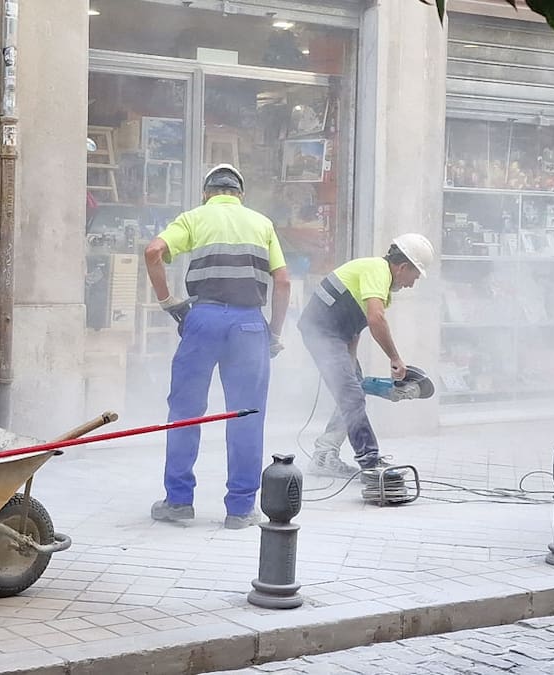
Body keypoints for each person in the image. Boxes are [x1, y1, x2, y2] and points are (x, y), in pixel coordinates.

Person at [144, 164, 291, 529]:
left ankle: (178, 501)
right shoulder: (262, 224)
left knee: (186, 411)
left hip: (203, 320)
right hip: (249, 325)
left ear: (207, 192)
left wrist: (168, 301)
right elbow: (283, 282)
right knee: (246, 416)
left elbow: (153, 252)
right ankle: (240, 509)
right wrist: (273, 333)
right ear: (239, 194)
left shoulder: (194, 218)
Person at [297, 233, 435, 478]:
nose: (411, 284)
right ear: (402, 267)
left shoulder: (376, 277)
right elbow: (375, 318)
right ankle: (370, 463)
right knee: (352, 397)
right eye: (413, 277)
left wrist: (350, 362)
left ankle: (324, 455)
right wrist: (395, 358)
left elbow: (355, 325)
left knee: (353, 391)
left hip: (336, 336)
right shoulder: (377, 271)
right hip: (323, 335)